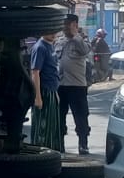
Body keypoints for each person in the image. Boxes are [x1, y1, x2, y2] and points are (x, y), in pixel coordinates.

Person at [56, 13, 92, 154]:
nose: (65, 27)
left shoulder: (82, 41)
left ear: (75, 25)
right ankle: (59, 143)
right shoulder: (60, 41)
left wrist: (75, 35)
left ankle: (83, 144)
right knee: (59, 116)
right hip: (61, 86)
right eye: (64, 24)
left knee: (81, 116)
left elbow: (85, 51)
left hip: (77, 87)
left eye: (68, 24)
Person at [28, 28, 62, 151]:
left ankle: (51, 151)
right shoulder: (40, 48)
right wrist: (37, 97)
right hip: (43, 91)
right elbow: (35, 72)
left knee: (52, 126)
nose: (53, 34)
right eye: (50, 31)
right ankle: (41, 152)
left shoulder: (51, 46)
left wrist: (56, 92)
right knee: (43, 127)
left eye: (55, 31)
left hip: (52, 90)